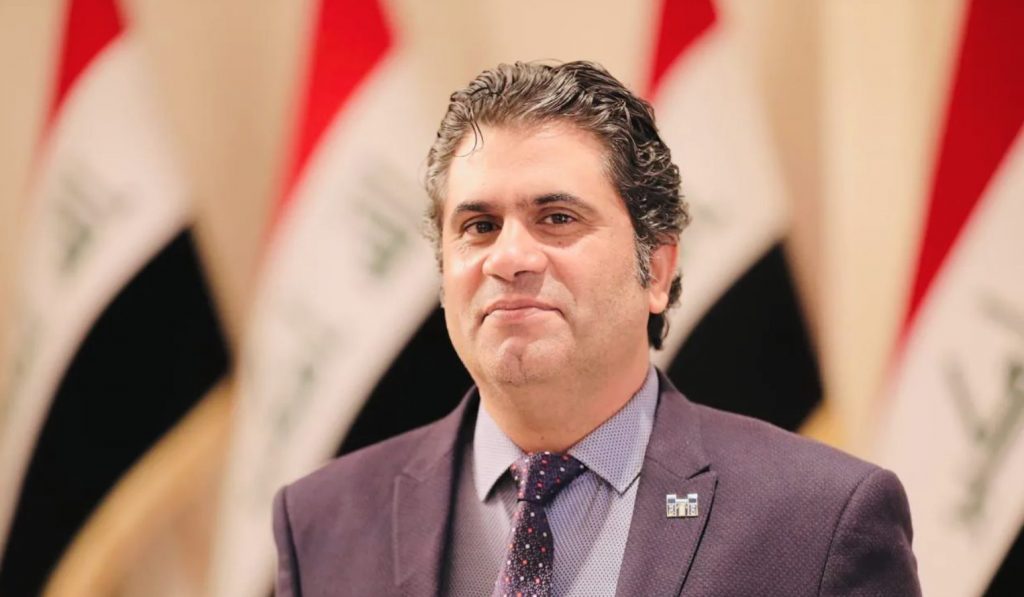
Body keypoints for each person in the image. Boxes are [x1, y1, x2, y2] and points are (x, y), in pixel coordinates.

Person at [272, 61, 921, 596]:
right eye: (479, 226)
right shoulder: (321, 526)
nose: (509, 257)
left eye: (557, 218)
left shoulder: (819, 521)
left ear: (656, 269)